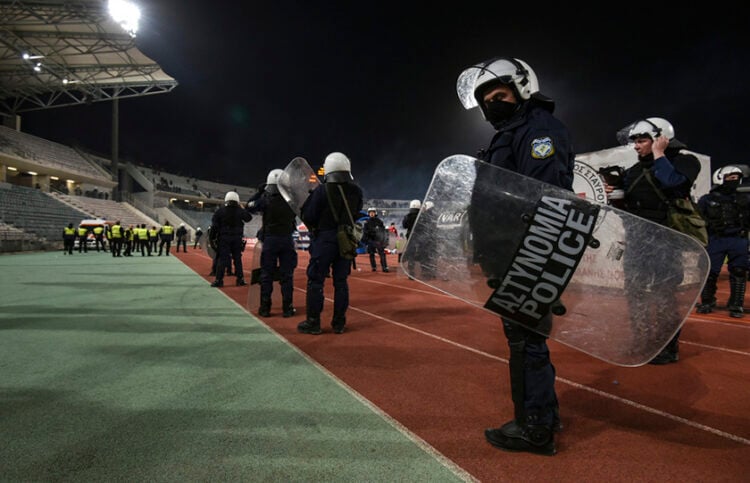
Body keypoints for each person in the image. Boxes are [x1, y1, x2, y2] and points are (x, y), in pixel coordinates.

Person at [458, 57, 572, 455]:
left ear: (523, 88)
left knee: (526, 341)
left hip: (528, 253)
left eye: (500, 94)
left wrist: (527, 255)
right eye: (486, 98)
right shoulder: (513, 131)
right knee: (526, 339)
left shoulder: (539, 130)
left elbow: (541, 196)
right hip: (513, 253)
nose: (493, 103)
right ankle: (544, 413)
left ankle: (534, 427)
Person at [607, 117, 701, 365]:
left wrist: (659, 154)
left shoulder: (684, 161)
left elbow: (675, 185)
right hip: (638, 243)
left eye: (642, 140)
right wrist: (615, 200)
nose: (636, 147)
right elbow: (625, 212)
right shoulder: (633, 172)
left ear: (661, 138)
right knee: (634, 293)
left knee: (663, 296)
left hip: (666, 242)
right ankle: (642, 340)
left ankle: (667, 347)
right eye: (635, 142)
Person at [297, 152, 363, 335]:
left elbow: (309, 216)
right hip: (345, 240)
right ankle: (339, 323)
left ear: (328, 169)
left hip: (325, 239)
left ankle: (314, 322)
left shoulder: (321, 190)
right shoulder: (356, 191)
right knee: (341, 282)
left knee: (316, 281)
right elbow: (357, 212)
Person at [696, 165, 750, 318]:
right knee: (709, 272)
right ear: (720, 178)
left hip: (738, 239)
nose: (734, 181)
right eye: (730, 178)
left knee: (739, 271)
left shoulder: (744, 199)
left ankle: (736, 304)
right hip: (716, 239)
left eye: (736, 178)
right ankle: (707, 301)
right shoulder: (707, 199)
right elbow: (699, 219)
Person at [246, 168, 299, 317]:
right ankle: (287, 308)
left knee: (266, 275)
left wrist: (259, 191)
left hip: (270, 240)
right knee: (287, 275)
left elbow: (249, 206)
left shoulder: (264, 199)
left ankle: (265, 308)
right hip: (287, 240)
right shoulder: (291, 200)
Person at [210, 191, 252, 287]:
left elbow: (214, 226)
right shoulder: (240, 211)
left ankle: (219, 280)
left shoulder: (220, 211)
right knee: (237, 259)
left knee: (222, 259)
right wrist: (242, 208)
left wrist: (212, 239)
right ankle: (240, 279)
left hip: (224, 238)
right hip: (237, 238)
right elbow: (248, 218)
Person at [362, 207, 390, 272]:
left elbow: (383, 231)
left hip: (378, 240)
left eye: (373, 212)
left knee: (382, 253)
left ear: (375, 213)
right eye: (370, 212)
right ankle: (373, 267)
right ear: (368, 214)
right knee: (371, 254)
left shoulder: (379, 221)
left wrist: (384, 240)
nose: (371, 214)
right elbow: (365, 232)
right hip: (371, 240)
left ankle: (384, 267)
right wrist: (366, 241)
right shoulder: (367, 222)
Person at [401, 199, 421, 267]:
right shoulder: (422, 216)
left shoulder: (408, 216)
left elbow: (404, 226)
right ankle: (424, 271)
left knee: (411, 253)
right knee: (421, 253)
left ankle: (411, 270)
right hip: (420, 236)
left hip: (410, 236)